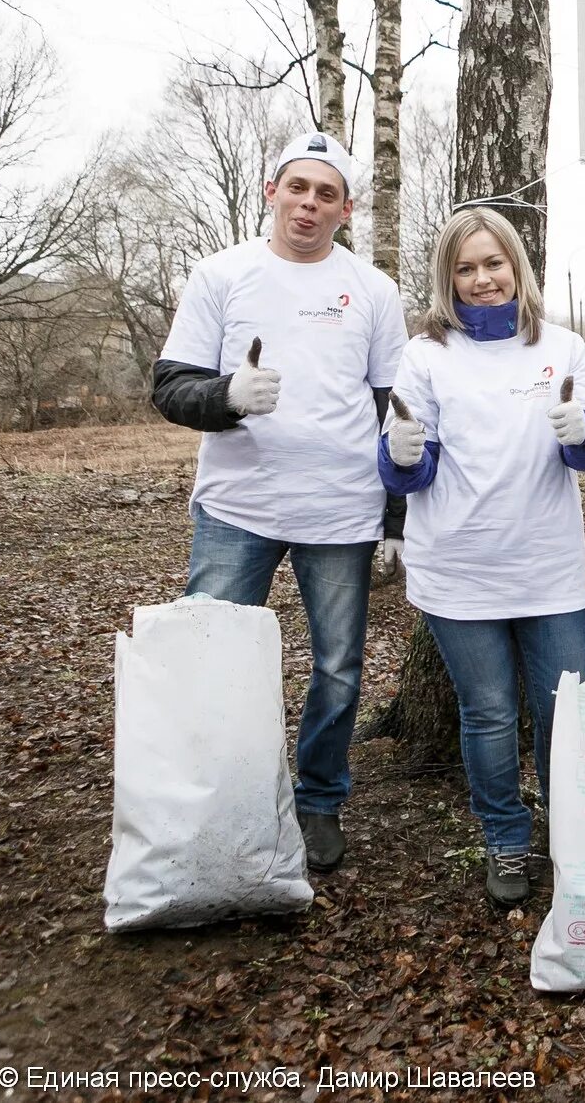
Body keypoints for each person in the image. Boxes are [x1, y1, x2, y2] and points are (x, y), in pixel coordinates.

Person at [151, 132, 407, 873]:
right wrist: (225, 397)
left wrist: (396, 518)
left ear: (347, 208)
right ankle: (219, 798)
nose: (309, 203)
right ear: (271, 191)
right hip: (237, 509)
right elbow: (170, 386)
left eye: (326, 193)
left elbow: (396, 408)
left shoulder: (372, 289)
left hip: (341, 512)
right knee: (215, 658)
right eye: (297, 187)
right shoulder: (221, 275)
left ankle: (320, 799)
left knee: (338, 667)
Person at [376, 207, 585, 906]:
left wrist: (583, 433)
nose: (481, 279)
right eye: (465, 268)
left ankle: (568, 835)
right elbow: (405, 471)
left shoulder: (562, 347)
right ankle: (506, 840)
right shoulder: (425, 355)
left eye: (493, 263)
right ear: (448, 279)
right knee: (487, 713)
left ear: (517, 265)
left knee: (563, 710)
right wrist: (403, 456)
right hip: (459, 568)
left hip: (548, 568)